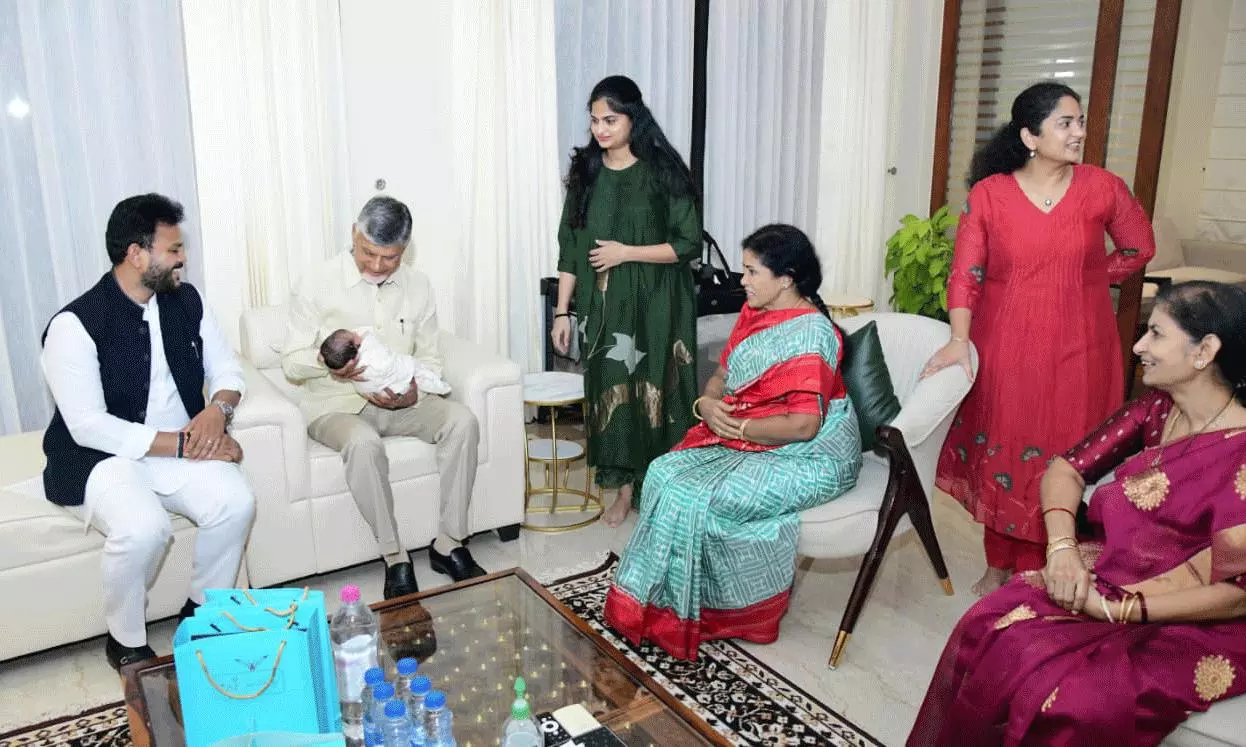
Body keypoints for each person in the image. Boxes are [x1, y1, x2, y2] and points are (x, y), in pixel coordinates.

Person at [908, 281, 1246, 746]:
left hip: (1198, 618)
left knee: (1075, 701)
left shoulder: (1240, 453)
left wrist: (1121, 609)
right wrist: (1063, 550)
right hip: (1113, 570)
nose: (1138, 347)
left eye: (1156, 334)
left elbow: (1236, 594)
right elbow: (1065, 469)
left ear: (1205, 351)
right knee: (986, 623)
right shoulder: (1157, 410)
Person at [921, 82, 1156, 595]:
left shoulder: (1103, 188)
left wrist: (1089, 279)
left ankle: (1058, 561)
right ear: (1030, 136)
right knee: (1008, 450)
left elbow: (1139, 246)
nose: (1078, 133)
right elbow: (966, 274)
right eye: (1065, 123)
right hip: (1007, 345)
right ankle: (998, 563)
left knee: (1067, 450)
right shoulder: (990, 195)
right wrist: (959, 339)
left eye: (1080, 121)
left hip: (1082, 347)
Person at [603, 224, 862, 660]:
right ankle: (660, 600)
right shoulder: (754, 312)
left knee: (695, 496)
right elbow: (722, 377)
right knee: (663, 473)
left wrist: (736, 428)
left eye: (752, 271)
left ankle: (716, 612)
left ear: (786, 279)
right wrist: (707, 405)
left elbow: (803, 426)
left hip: (811, 455)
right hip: (752, 432)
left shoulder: (812, 333)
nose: (742, 281)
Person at [40, 194, 255, 670]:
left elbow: (228, 370)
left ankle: (202, 613)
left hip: (177, 447)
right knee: (144, 528)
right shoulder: (74, 324)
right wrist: (185, 444)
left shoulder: (186, 301)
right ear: (136, 254)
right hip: (101, 458)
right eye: (173, 249)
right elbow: (88, 425)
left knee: (236, 501)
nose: (183, 258)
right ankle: (125, 639)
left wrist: (218, 411)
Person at [281, 196, 485, 599]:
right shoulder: (316, 282)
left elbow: (430, 356)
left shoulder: (419, 286)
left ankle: (449, 543)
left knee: (462, 421)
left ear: (404, 250)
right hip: (336, 404)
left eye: (389, 258)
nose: (376, 265)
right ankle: (395, 557)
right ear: (353, 235)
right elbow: (290, 362)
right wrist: (327, 364)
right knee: (363, 444)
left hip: (402, 400)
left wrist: (413, 393)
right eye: (367, 253)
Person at [550, 75, 701, 528]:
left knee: (658, 390)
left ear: (633, 118)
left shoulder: (663, 171)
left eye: (610, 120)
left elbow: (687, 243)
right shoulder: (586, 172)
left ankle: (664, 487)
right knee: (613, 393)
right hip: (604, 309)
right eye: (594, 120)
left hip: (659, 305)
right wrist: (562, 311)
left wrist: (626, 252)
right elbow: (570, 248)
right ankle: (624, 489)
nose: (600, 129)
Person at [319, 328, 452, 397]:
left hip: (399, 395)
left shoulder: (340, 351)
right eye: (354, 335)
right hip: (378, 388)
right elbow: (387, 365)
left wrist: (332, 362)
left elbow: (429, 352)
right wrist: (334, 371)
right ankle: (438, 385)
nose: (355, 332)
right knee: (415, 371)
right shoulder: (371, 355)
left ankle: (432, 384)